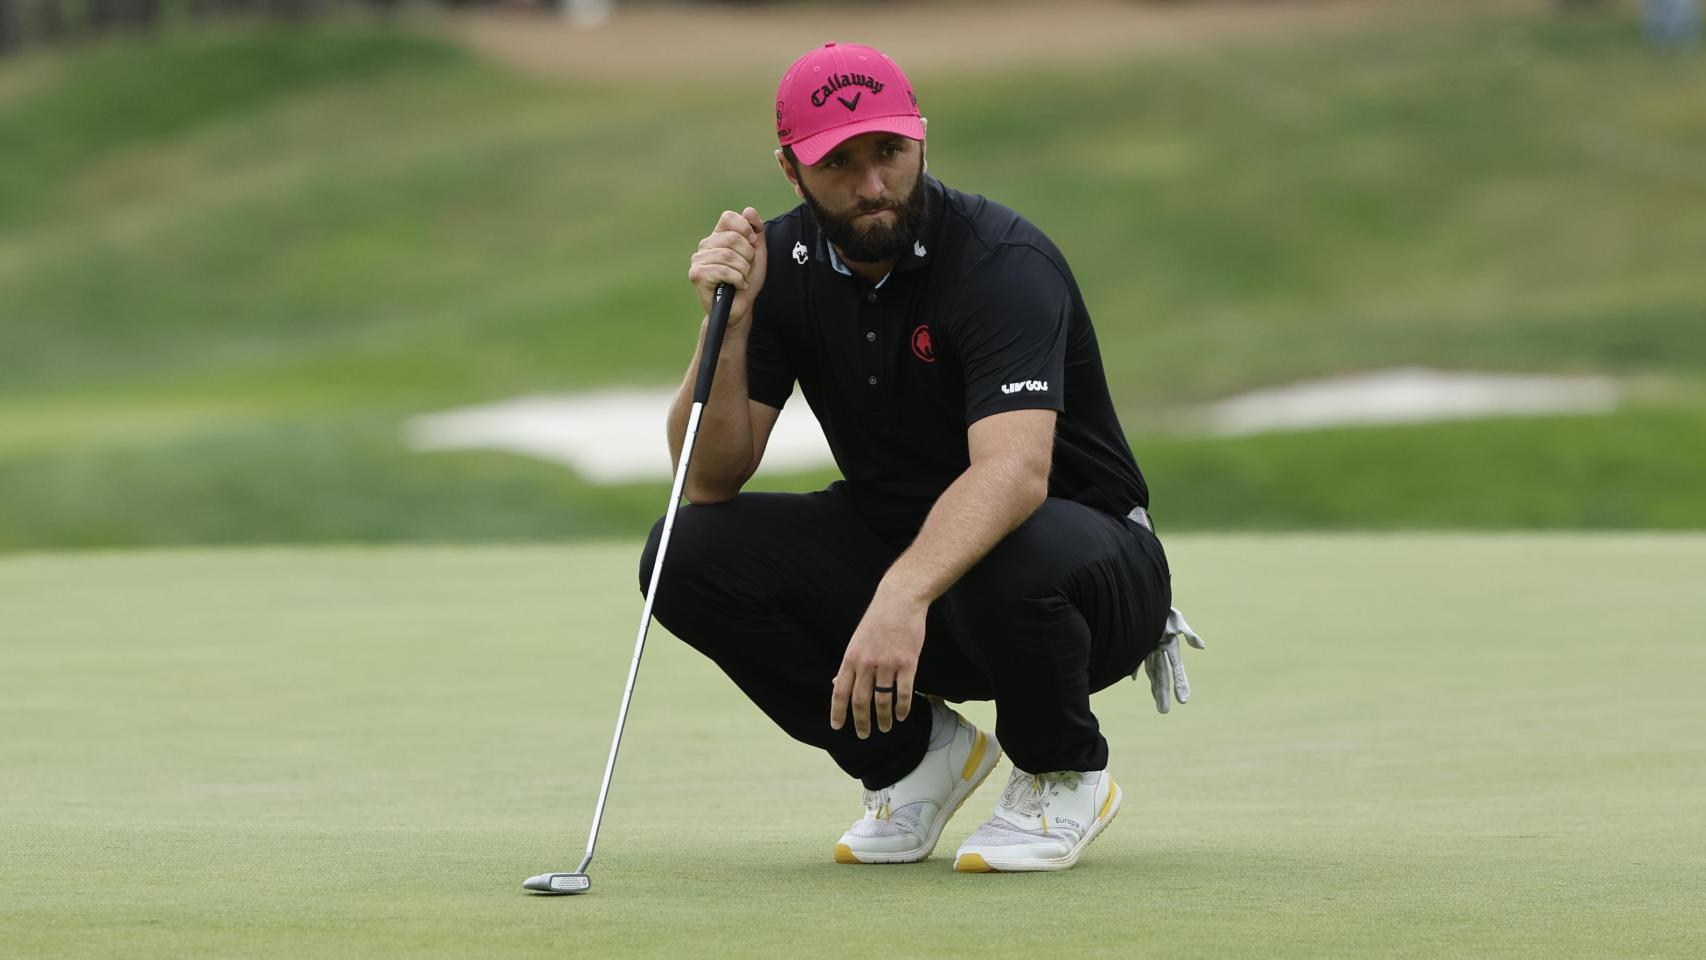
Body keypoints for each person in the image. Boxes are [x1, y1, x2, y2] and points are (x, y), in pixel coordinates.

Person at [642, 41, 1202, 874]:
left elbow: (1014, 474)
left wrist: (901, 593)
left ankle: (1063, 772)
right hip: (919, 572)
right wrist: (728, 326)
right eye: (839, 163)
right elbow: (708, 476)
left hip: (1086, 576)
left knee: (1003, 549)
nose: (872, 184)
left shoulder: (1000, 261)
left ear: (922, 140)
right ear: (791, 171)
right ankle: (913, 757)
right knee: (682, 552)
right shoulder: (781, 267)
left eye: (889, 152)